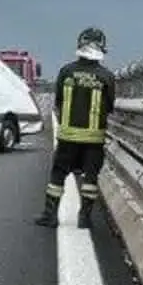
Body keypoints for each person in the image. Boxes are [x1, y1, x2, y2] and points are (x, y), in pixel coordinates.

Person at [34, 27, 115, 229]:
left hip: (68, 137)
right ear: (102, 48)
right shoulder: (107, 76)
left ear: (80, 45)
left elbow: (59, 101)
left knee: (58, 175)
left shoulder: (66, 71)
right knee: (90, 178)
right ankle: (85, 218)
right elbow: (110, 106)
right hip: (94, 139)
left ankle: (50, 216)